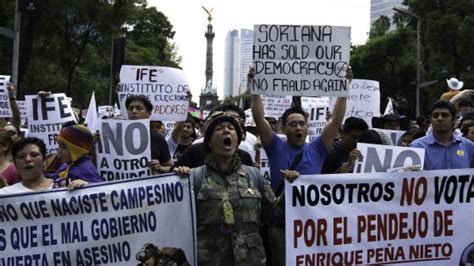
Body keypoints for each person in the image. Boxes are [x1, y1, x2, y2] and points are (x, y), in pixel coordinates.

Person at [173, 112, 287, 265]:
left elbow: (273, 216)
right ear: (210, 142)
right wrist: (176, 181)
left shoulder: (254, 176)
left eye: (231, 128)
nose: (226, 131)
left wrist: (291, 189)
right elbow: (176, 224)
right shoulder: (194, 178)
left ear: (237, 141)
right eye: (219, 128)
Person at [410, 100, 474, 170]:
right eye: (435, 116)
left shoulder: (468, 147)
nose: (440, 118)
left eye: (445, 115)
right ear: (431, 120)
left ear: (454, 119)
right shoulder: (417, 147)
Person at [125, 95, 173, 173]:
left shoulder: (157, 138)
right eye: (130, 108)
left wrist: (160, 168)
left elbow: (171, 167)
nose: (134, 111)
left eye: (139, 108)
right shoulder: (117, 135)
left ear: (148, 113)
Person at [53, 125, 103, 189]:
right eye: (59, 146)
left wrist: (88, 185)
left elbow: (101, 191)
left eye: (64, 147)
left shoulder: (87, 170)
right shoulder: (65, 166)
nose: (59, 152)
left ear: (77, 150)